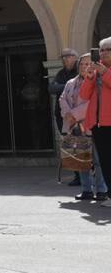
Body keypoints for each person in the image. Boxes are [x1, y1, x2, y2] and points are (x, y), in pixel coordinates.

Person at [60, 53, 107, 201]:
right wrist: (68, 114)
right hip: (74, 126)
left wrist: (74, 114)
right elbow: (62, 99)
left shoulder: (96, 82)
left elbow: (91, 103)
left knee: (99, 161)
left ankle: (101, 190)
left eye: (87, 64)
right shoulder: (70, 83)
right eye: (81, 64)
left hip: (91, 126)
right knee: (81, 160)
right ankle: (86, 190)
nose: (84, 67)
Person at [79, 37, 111, 208]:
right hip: (98, 124)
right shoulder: (96, 71)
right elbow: (83, 95)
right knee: (105, 161)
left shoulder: (105, 71)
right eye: (101, 50)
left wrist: (105, 72)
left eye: (107, 50)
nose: (103, 53)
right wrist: (90, 77)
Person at [51, 48, 81, 187]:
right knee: (70, 146)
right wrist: (69, 86)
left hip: (79, 116)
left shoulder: (79, 71)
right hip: (62, 116)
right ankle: (77, 176)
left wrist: (62, 87)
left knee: (82, 145)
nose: (65, 59)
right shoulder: (61, 73)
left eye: (68, 56)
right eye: (63, 57)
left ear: (75, 57)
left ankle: (88, 177)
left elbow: (81, 89)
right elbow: (51, 88)